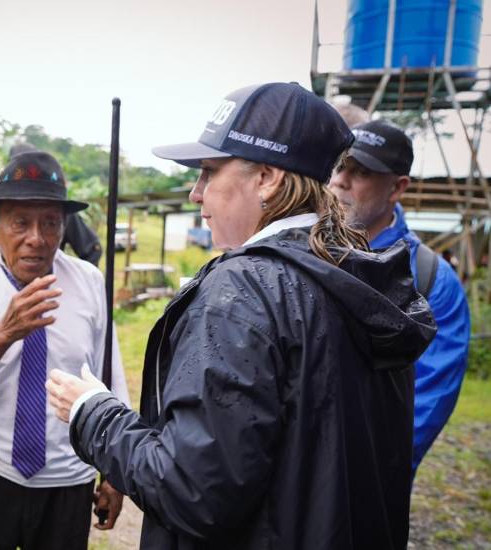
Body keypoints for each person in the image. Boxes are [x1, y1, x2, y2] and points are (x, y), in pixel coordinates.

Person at [47, 82, 437, 549]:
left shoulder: (242, 292)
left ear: (268, 177)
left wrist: (94, 414)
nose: (195, 194)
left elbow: (193, 492)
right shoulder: (360, 277)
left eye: (209, 172)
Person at [0, 150, 129, 550]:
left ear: (64, 228)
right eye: (21, 222)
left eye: (50, 222)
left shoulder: (86, 283)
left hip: (66, 484)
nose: (37, 237)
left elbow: (110, 379)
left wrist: (114, 472)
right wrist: (3, 334)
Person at [327, 120, 471, 473]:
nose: (340, 181)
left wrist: (362, 474)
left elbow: (427, 402)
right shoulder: (299, 249)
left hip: (358, 483)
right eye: (338, 166)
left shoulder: (430, 280)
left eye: (360, 172)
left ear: (397, 188)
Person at [10, 142, 103, 265]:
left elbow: (92, 249)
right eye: (20, 223)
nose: (35, 239)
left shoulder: (58, 210)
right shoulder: (1, 209)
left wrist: (74, 279)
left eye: (50, 224)